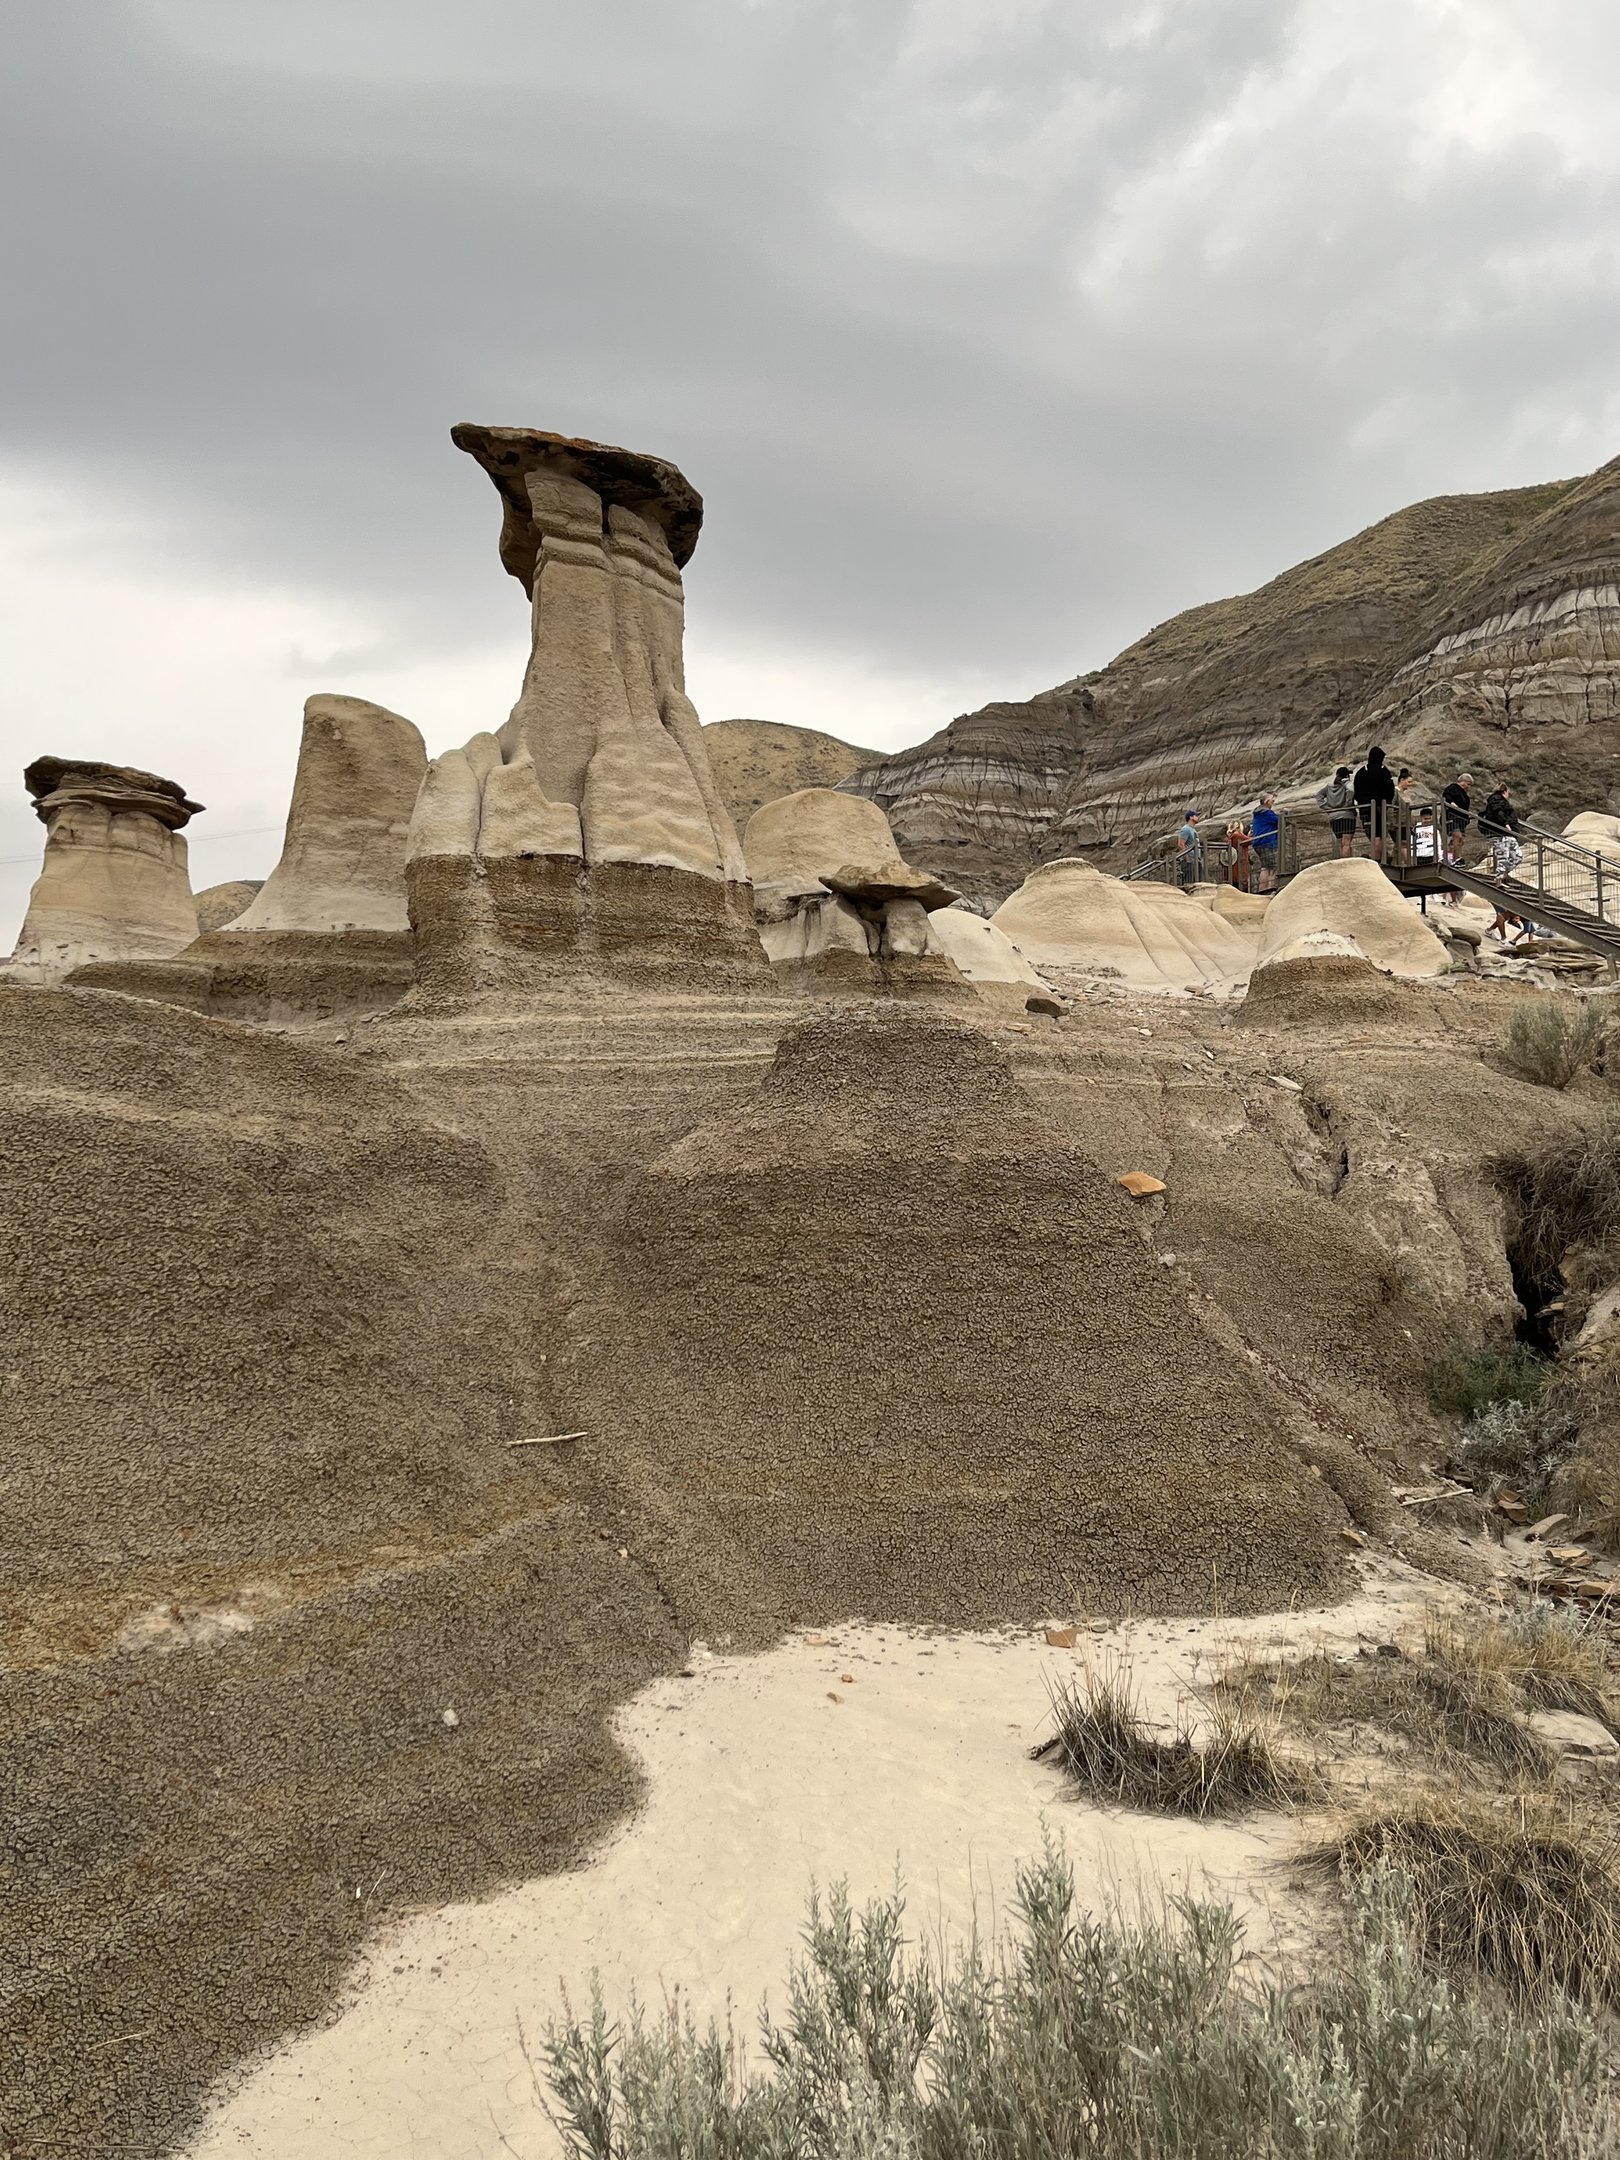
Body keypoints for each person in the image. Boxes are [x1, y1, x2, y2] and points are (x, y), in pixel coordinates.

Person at [1353, 745, 1396, 862]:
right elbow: (1390, 789)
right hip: (1379, 807)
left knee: (1371, 833)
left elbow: (1356, 790)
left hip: (1364, 807)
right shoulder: (1383, 771)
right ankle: (1378, 859)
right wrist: (1387, 801)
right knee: (1378, 835)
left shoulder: (1361, 772)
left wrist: (1361, 801)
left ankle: (1380, 857)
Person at [1316, 765, 1357, 857]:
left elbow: (1318, 796)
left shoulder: (1329, 787)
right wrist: (1348, 804)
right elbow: (1351, 790)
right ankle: (1347, 863)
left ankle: (1343, 861)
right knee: (1346, 843)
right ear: (1346, 776)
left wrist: (1326, 807)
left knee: (1341, 843)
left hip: (1333, 817)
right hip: (1347, 816)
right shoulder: (1346, 785)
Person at [1249, 791, 1280, 892]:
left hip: (1259, 842)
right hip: (1267, 842)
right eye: (1272, 801)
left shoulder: (1258, 813)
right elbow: (1278, 821)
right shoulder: (1266, 813)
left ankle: (1263, 888)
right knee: (1271, 867)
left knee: (1265, 866)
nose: (1273, 803)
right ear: (1267, 801)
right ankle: (1268, 889)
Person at [1441, 773, 1472, 863]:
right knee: (1457, 836)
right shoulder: (1453, 788)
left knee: (1460, 840)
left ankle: (1455, 858)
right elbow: (1447, 796)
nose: (1469, 787)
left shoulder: (1464, 795)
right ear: (1463, 782)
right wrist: (1452, 804)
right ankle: (1455, 858)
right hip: (1452, 817)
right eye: (1468, 784)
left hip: (1461, 819)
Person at [1176, 807, 1201, 887]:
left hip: (1195, 859)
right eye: (1196, 815)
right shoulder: (1186, 829)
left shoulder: (1193, 830)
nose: (1198, 817)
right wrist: (1187, 858)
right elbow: (1181, 844)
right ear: (1191, 817)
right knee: (1189, 883)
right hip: (1190, 861)